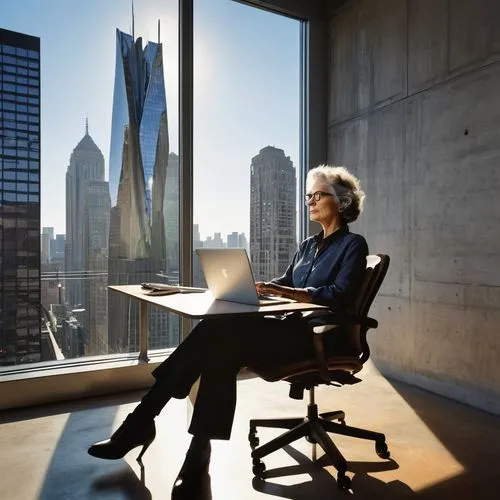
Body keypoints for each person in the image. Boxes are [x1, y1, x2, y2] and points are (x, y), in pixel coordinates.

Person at [87, 165, 368, 499]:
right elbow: (288, 282)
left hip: (318, 337)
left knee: (218, 335)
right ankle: (195, 453)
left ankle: (142, 425)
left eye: (317, 195)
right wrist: (257, 287)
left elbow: (339, 295)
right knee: (220, 339)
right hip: (289, 329)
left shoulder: (353, 245)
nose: (309, 201)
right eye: (308, 195)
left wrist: (287, 294)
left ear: (342, 201)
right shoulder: (308, 246)